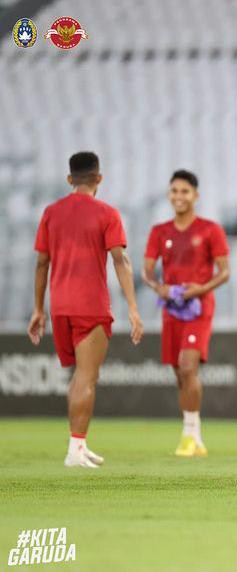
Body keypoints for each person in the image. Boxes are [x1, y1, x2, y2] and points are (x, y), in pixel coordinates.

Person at [28, 151, 144, 468]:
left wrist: (38, 309)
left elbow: (41, 262)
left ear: (70, 179)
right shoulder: (106, 213)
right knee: (86, 376)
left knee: (79, 376)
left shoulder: (51, 212)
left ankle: (79, 444)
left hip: (59, 305)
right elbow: (120, 259)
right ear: (99, 178)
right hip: (90, 304)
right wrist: (133, 308)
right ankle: (75, 449)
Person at [143, 170, 230, 457]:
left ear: (195, 195)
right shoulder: (159, 231)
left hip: (198, 307)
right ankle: (195, 433)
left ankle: (189, 435)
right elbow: (146, 272)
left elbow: (224, 271)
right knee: (180, 373)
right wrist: (159, 287)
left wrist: (199, 289)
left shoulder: (209, 229)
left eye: (184, 191)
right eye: (174, 191)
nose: (178, 196)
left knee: (188, 366)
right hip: (171, 309)